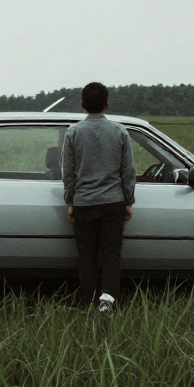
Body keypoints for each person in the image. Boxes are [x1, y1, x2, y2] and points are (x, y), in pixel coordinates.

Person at [62, 82, 136, 312]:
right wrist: (128, 201)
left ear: (82, 106)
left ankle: (88, 301)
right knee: (111, 254)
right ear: (107, 105)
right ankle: (107, 303)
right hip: (113, 202)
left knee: (86, 256)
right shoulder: (120, 131)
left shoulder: (73, 132)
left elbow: (68, 171)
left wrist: (70, 201)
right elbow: (128, 171)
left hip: (84, 203)